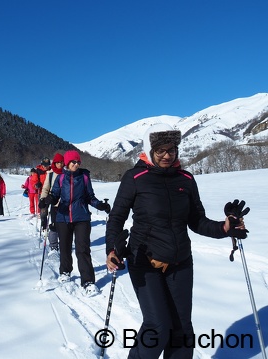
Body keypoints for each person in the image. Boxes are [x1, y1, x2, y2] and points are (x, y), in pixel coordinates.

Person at [105, 123, 249, 358]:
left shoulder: (186, 179)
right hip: (145, 262)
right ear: (149, 149)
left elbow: (197, 221)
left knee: (182, 330)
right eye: (160, 150)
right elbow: (116, 218)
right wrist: (112, 248)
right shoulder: (135, 178)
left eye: (172, 149)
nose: (167, 155)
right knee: (159, 327)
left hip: (181, 262)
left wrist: (225, 227)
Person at [45, 150, 111, 296]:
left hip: (82, 217)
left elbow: (90, 197)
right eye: (73, 162)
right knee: (65, 247)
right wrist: (48, 199)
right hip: (63, 217)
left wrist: (99, 205)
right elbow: (55, 195)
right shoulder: (61, 178)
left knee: (83, 249)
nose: (76, 164)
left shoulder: (84, 177)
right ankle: (65, 272)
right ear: (67, 163)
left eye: (78, 162)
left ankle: (88, 281)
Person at [38, 153, 64, 258]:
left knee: (65, 226)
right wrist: (42, 199)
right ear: (55, 163)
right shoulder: (51, 174)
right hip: (54, 203)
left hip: (66, 204)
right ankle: (53, 246)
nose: (60, 165)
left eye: (62, 162)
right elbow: (45, 189)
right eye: (58, 162)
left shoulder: (67, 174)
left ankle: (64, 244)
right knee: (54, 225)